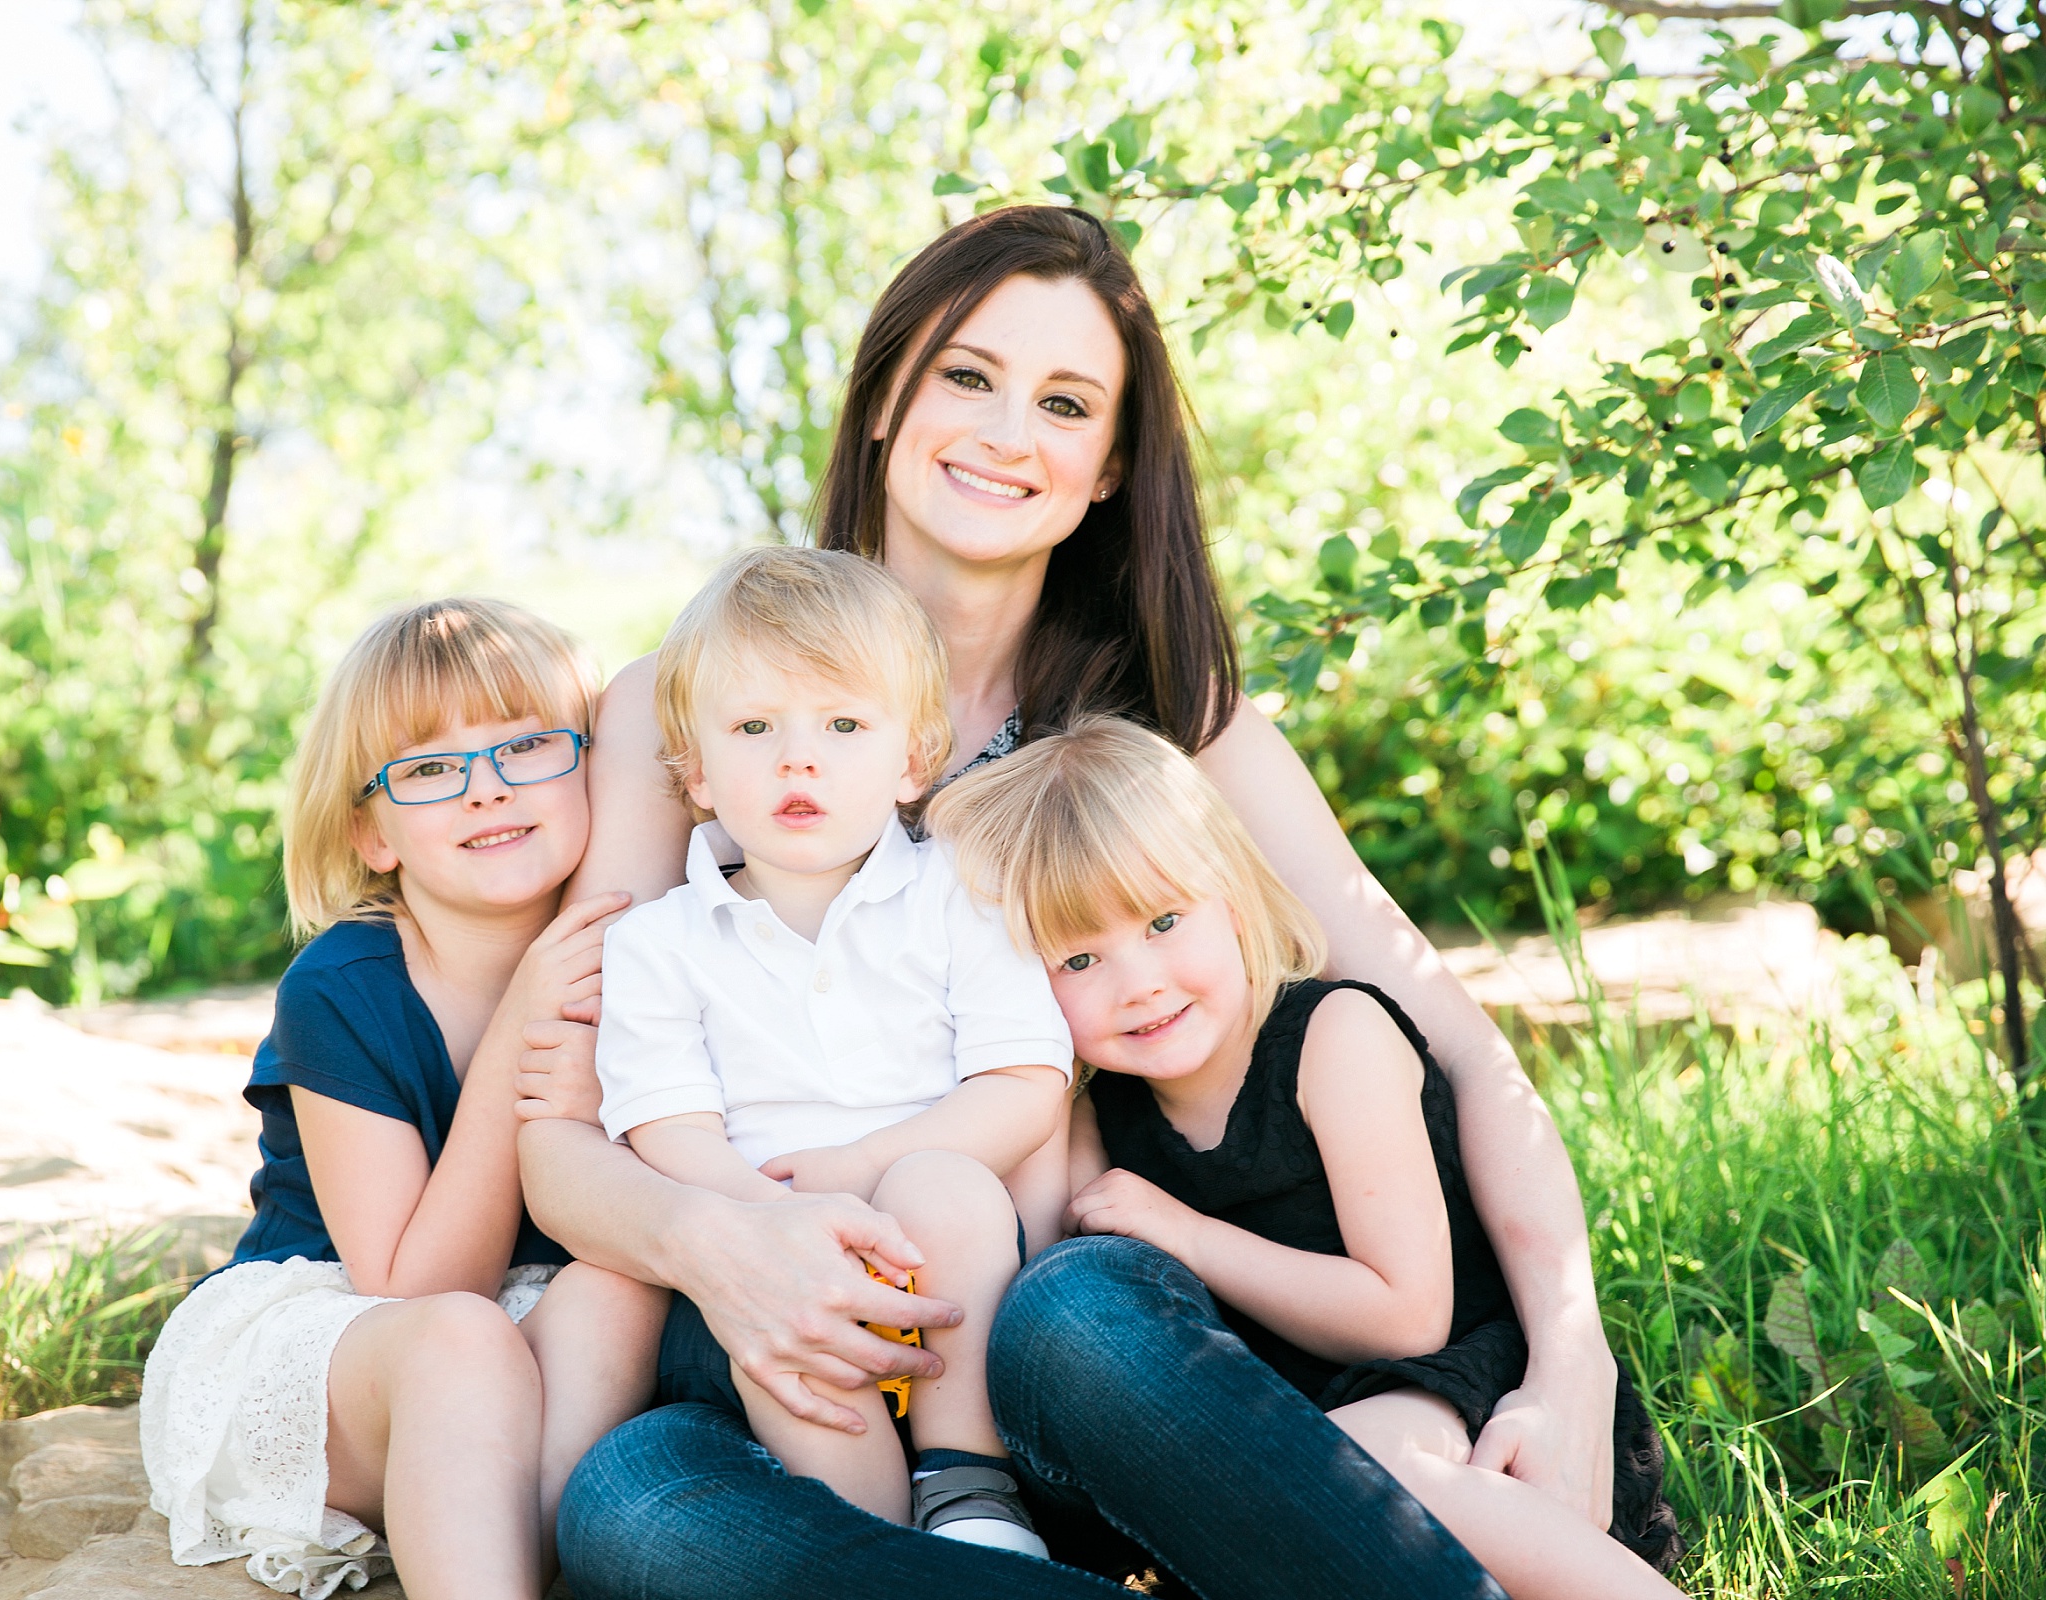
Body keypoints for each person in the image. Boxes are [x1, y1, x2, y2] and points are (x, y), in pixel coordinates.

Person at [519, 204, 1613, 1598]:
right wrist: (720, 1242)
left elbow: (1444, 1033)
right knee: (636, 1503)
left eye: (1064, 402)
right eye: (967, 376)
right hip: (782, 1320)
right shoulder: (701, 709)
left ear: (1108, 469)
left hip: (1089, 1344)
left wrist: (1572, 1355)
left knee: (1072, 1320)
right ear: (883, 402)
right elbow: (560, 1124)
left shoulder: (1172, 725)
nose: (1005, 430)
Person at [925, 716, 1685, 1597]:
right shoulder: (1102, 1118)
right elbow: (1048, 1289)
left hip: (1441, 1388)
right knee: (1256, 1485)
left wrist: (1191, 1237)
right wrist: (1033, 1064)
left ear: (1235, 899)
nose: (1139, 982)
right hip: (1267, 1425)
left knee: (1354, 1466)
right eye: (1078, 957)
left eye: (1165, 920)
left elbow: (1406, 1317)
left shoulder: (1335, 1036)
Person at [139, 598, 665, 1600]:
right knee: (460, 1341)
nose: (487, 789)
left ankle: (504, 1560)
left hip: (515, 1334)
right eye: (429, 768)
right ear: (370, 831)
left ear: (590, 768)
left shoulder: (639, 942)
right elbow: (413, 1286)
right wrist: (520, 1025)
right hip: (347, 1331)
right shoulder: (341, 988)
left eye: (528, 745)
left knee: (622, 1282)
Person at [595, 546, 1072, 1556]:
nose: (796, 759)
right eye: (754, 728)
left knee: (944, 1186)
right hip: (771, 1241)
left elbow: (1027, 1081)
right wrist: (778, 1218)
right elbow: (663, 1122)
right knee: (791, 1335)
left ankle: (966, 1481)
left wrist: (866, 1169)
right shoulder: (658, 942)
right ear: (696, 772)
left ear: (913, 759)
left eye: (843, 726)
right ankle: (879, 1547)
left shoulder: (961, 892)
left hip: (949, 1267)